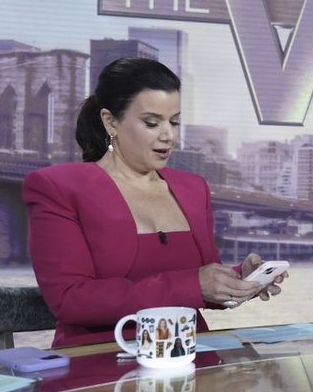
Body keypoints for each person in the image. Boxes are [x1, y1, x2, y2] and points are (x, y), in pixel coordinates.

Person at [23, 58, 286, 347]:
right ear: (110, 121)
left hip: (192, 356)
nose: (169, 136)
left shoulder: (193, 189)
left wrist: (239, 278)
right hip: (99, 361)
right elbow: (70, 299)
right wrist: (193, 284)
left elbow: (201, 286)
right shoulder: (58, 187)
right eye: (152, 123)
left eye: (174, 122)